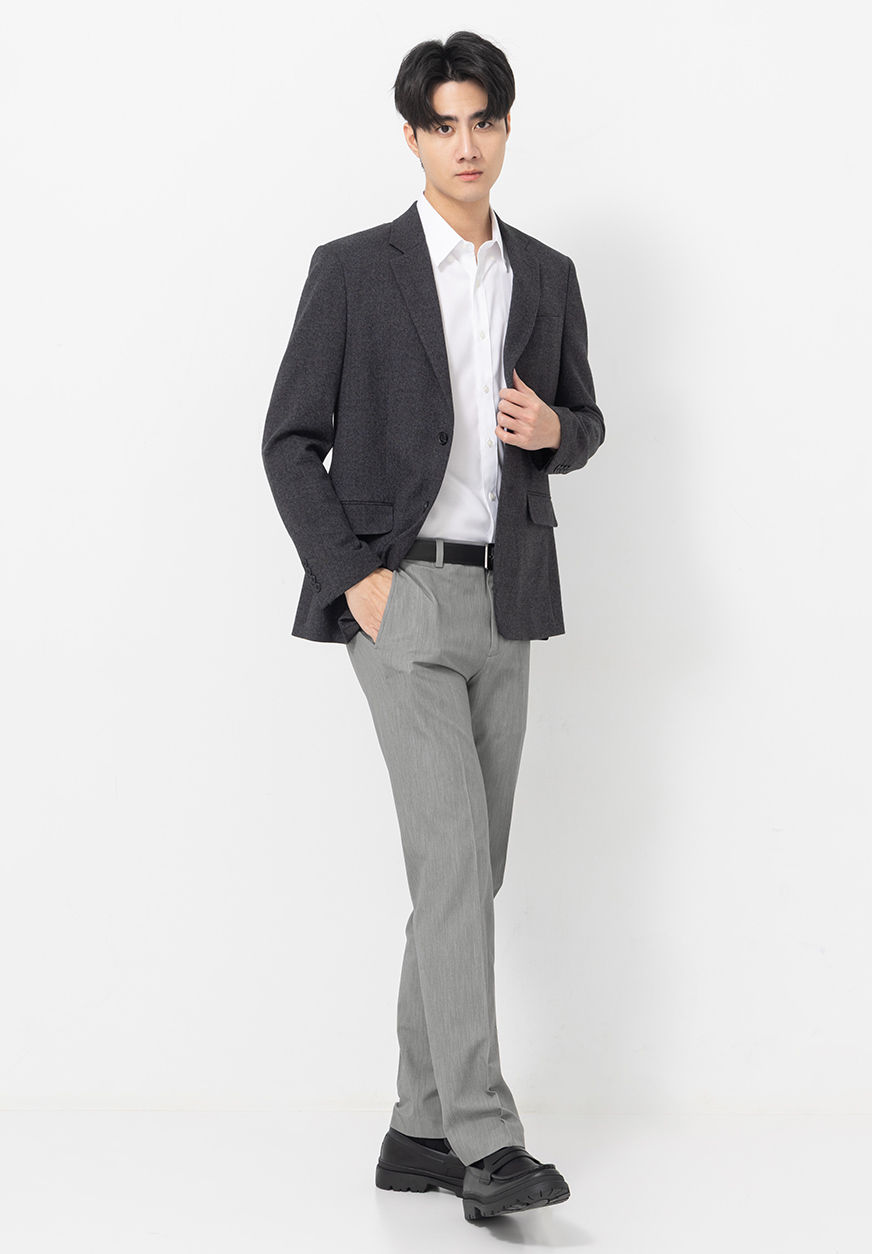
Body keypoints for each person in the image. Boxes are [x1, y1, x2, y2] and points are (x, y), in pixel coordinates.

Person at [262, 30, 604, 1222]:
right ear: (411, 136)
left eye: (484, 121)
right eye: (444, 125)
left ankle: (415, 1128)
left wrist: (556, 433)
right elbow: (287, 441)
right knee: (455, 859)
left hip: (509, 597)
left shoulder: (545, 275)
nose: (467, 144)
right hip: (399, 595)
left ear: (506, 129)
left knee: (470, 868)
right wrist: (356, 582)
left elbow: (585, 418)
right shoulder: (355, 270)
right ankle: (485, 1138)